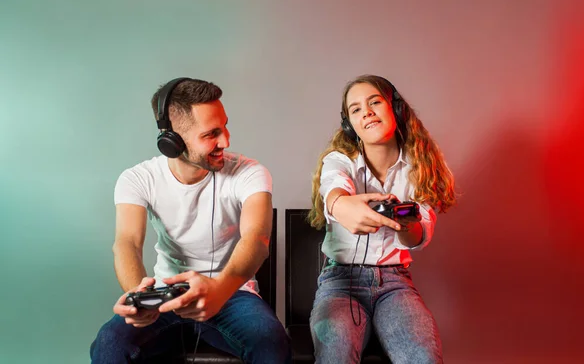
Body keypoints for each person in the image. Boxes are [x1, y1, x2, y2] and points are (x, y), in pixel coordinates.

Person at [90, 77, 291, 363]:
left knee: (271, 343)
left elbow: (257, 238)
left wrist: (219, 292)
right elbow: (127, 243)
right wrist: (140, 297)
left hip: (231, 293)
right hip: (164, 293)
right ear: (171, 142)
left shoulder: (250, 172)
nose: (226, 140)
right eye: (211, 134)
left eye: (225, 127)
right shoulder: (137, 179)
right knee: (109, 343)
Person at [307, 74, 456, 364]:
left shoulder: (419, 168)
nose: (367, 113)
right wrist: (343, 205)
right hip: (341, 281)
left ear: (396, 110)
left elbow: (418, 237)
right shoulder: (340, 159)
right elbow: (333, 189)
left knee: (423, 357)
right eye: (356, 109)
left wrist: (404, 224)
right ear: (349, 124)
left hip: (395, 283)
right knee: (334, 355)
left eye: (375, 102)